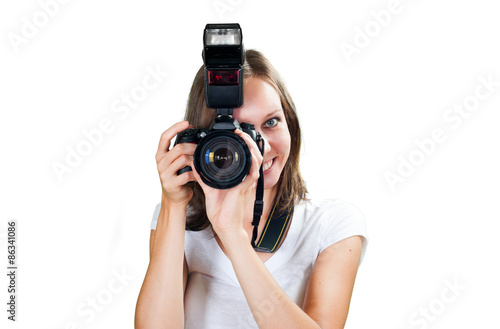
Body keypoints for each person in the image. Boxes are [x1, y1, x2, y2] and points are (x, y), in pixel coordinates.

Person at [135, 49, 368, 329]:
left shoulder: (332, 223)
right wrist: (173, 204)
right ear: (205, 142)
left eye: (271, 123)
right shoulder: (178, 216)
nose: (262, 148)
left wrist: (232, 234)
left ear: (290, 123)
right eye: (240, 133)